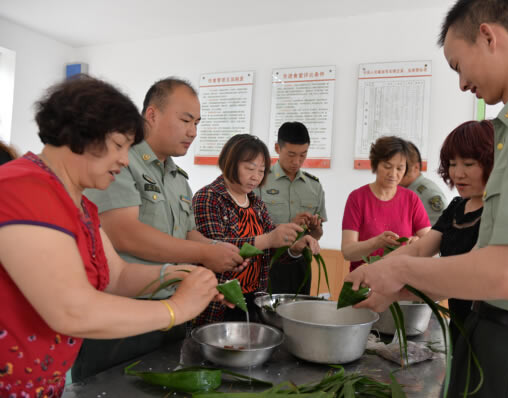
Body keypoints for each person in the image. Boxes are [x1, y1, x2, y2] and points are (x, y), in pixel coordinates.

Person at [346, 0, 508, 397]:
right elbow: (476, 264)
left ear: (487, 36)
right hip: (500, 342)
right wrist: (389, 289)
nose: (462, 84)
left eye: (457, 65)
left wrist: (400, 272)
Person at [0, 76, 223, 397]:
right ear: (81, 134)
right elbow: (71, 310)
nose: (123, 159)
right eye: (119, 146)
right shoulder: (24, 186)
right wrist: (174, 309)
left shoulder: (81, 205)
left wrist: (180, 275)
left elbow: (117, 275)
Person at [73, 78, 245, 380]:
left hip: (172, 309)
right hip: (122, 312)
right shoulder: (121, 163)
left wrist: (215, 252)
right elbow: (123, 232)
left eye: (197, 123)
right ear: (151, 115)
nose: (193, 131)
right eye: (185, 120)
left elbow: (186, 232)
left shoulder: (178, 178)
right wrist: (203, 253)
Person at [193, 134, 320, 324]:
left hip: (255, 297)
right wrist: (268, 239)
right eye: (250, 168)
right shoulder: (208, 197)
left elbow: (272, 251)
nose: (256, 177)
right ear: (230, 162)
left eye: (261, 171)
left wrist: (294, 247)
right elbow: (215, 250)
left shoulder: (257, 204)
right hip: (219, 301)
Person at [387, 120, 494, 345]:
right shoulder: (456, 207)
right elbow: (419, 248)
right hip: (458, 324)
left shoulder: (499, 211)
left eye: (469, 163)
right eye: (453, 164)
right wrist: (379, 269)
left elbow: (465, 274)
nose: (458, 173)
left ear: (492, 163)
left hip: (487, 330)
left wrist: (396, 290)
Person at [255, 121, 327, 294]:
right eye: (291, 154)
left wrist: (315, 229)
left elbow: (317, 235)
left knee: (299, 314)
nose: (297, 161)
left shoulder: (314, 186)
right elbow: (252, 229)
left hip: (300, 266)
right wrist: (287, 226)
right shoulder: (260, 180)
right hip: (267, 263)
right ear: (277, 148)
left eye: (303, 155)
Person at [341, 136, 431, 272]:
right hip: (365, 282)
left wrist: (417, 243)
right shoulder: (357, 198)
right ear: (375, 165)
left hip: (402, 281)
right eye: (387, 166)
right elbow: (348, 252)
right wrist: (376, 243)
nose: (393, 174)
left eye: (400, 168)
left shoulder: (411, 199)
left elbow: (430, 243)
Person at [399, 141, 447, 225]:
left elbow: (438, 229)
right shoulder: (401, 188)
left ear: (416, 167)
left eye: (400, 168)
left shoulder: (428, 193)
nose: (393, 173)